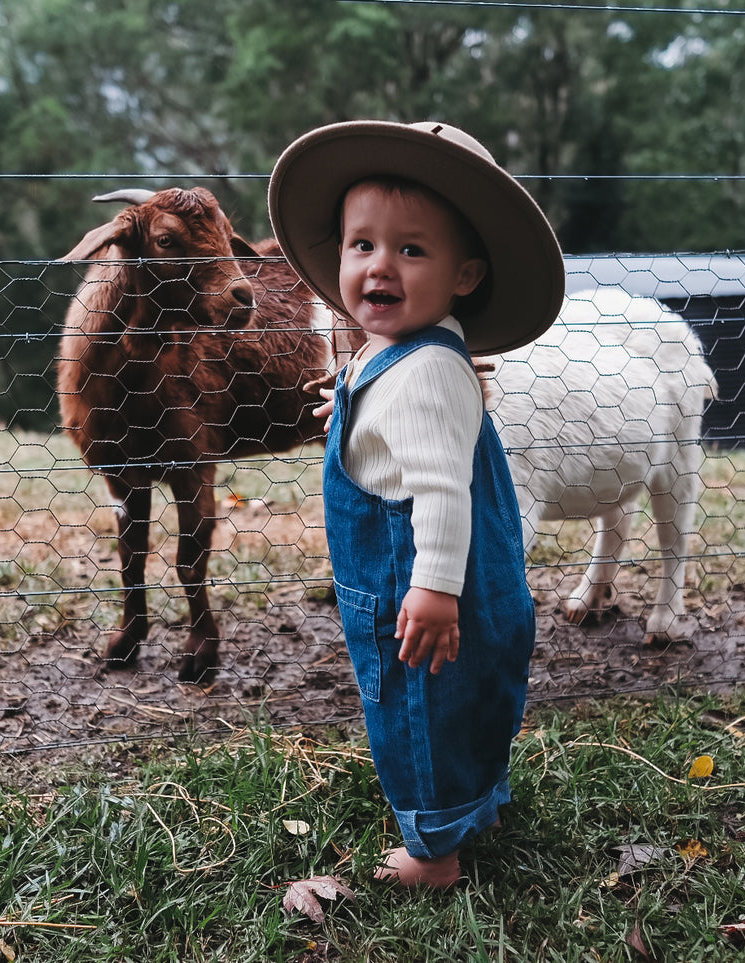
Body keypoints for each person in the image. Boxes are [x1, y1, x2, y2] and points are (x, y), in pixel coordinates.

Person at [268, 121, 564, 887]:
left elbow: (437, 486)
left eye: (411, 249)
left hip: (417, 580)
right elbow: (396, 409)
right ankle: (476, 800)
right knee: (461, 699)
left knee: (420, 707)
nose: (378, 267)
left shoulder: (427, 370)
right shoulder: (403, 349)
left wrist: (432, 588)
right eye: (360, 244)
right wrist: (354, 410)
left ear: (464, 274)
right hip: (450, 577)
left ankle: (433, 852)